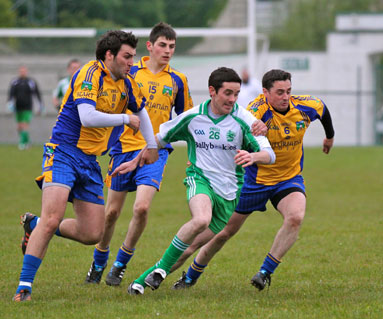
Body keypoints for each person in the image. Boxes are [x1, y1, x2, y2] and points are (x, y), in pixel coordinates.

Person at [13, 30, 159, 302]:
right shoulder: (89, 74)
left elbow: (141, 112)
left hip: (91, 162)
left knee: (93, 233)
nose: (132, 62)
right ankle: (24, 287)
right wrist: (124, 120)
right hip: (64, 153)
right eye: (127, 56)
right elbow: (88, 117)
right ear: (109, 55)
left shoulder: (127, 82)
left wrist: (151, 146)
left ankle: (34, 224)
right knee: (53, 217)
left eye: (133, 57)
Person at [170, 69, 335, 291]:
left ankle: (264, 272)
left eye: (288, 91)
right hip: (253, 181)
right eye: (279, 92)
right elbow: (234, 137)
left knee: (295, 217)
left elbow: (323, 111)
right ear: (265, 92)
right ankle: (188, 275)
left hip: (288, 179)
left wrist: (329, 137)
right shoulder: (255, 112)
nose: (285, 97)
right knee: (222, 233)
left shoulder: (306, 105)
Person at [119, 67, 275, 295]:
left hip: (229, 193)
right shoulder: (193, 117)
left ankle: (140, 283)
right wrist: (134, 162)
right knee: (201, 219)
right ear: (212, 91)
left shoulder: (244, 120)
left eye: (236, 94)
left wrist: (253, 156)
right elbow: (159, 140)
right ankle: (161, 270)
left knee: (188, 249)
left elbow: (269, 155)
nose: (232, 99)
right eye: (227, 93)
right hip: (199, 179)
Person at [84, 22, 193, 286]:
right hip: (123, 148)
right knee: (110, 214)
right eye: (163, 45)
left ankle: (121, 262)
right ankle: (99, 260)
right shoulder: (130, 72)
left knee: (142, 208)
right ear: (150, 46)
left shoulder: (177, 80)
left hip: (155, 151)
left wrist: (192, 150)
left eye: (172, 47)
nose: (168, 51)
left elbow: (187, 120)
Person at [7, 65, 44, 150]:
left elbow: (37, 94)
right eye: (21, 71)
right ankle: (27, 140)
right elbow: (11, 94)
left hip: (28, 107)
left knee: (24, 125)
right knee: (19, 126)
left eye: (24, 71)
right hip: (18, 107)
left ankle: (22, 143)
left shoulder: (31, 82)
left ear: (26, 72)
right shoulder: (15, 82)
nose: (22, 73)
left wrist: (40, 106)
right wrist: (9, 104)